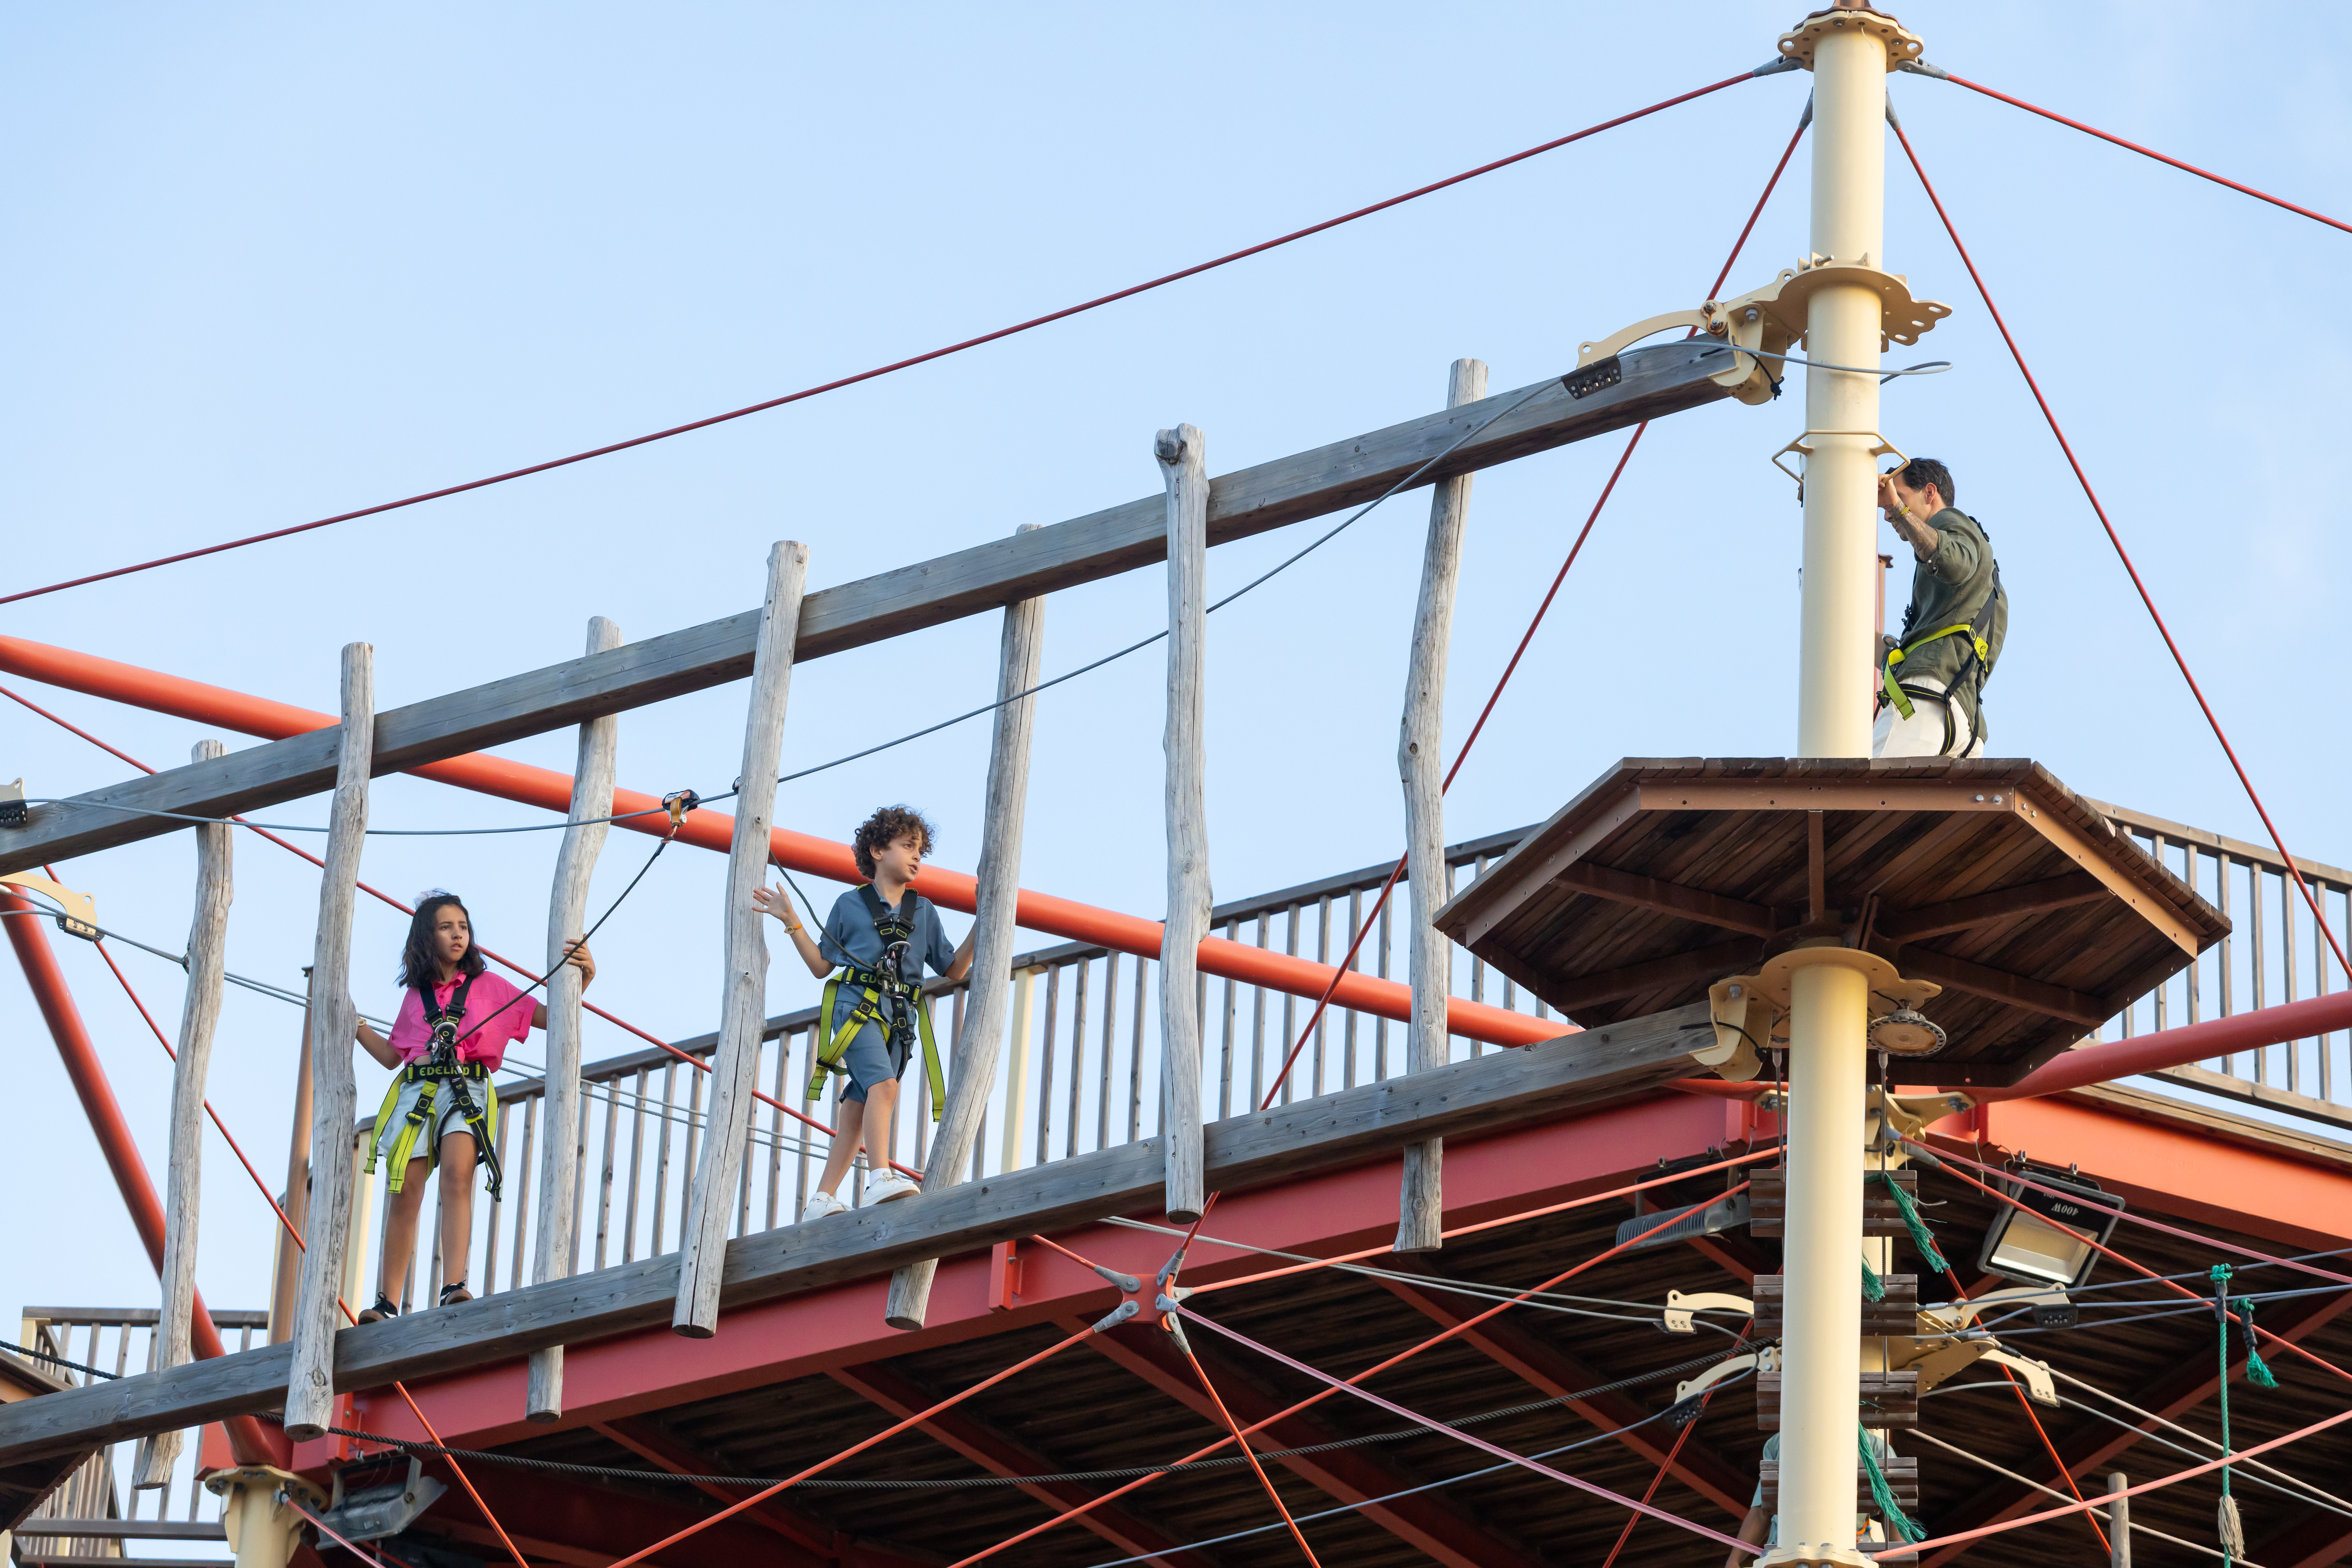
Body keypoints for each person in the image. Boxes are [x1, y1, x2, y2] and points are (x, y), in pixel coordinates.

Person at [351, 892, 594, 1321]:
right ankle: (387, 1302)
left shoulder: (491, 987)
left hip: (467, 1087)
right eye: (446, 927)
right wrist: (355, 1027)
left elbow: (552, 1014)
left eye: (463, 926)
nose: (457, 934)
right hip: (417, 1093)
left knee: (458, 1174)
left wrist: (584, 978)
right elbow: (394, 1056)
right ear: (427, 937)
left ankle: (454, 1284)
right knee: (404, 1188)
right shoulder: (415, 998)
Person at [753, 805, 975, 1219]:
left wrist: (985, 924)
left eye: (921, 851)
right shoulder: (849, 905)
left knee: (859, 1101)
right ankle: (879, 1178)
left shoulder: (923, 910)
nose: (916, 857)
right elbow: (822, 966)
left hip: (899, 1019)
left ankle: (821, 1199)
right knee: (886, 1088)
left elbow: (953, 968)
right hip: (856, 1007)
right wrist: (791, 920)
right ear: (877, 850)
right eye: (908, 847)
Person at [1875, 457, 2007, 759]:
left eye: (1900, 495)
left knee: (1867, 798)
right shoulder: (1988, 587)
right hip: (1964, 722)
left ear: (1929, 493)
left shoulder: (1950, 523)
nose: (1887, 514)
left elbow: (1954, 562)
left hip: (1925, 700)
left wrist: (1898, 509)